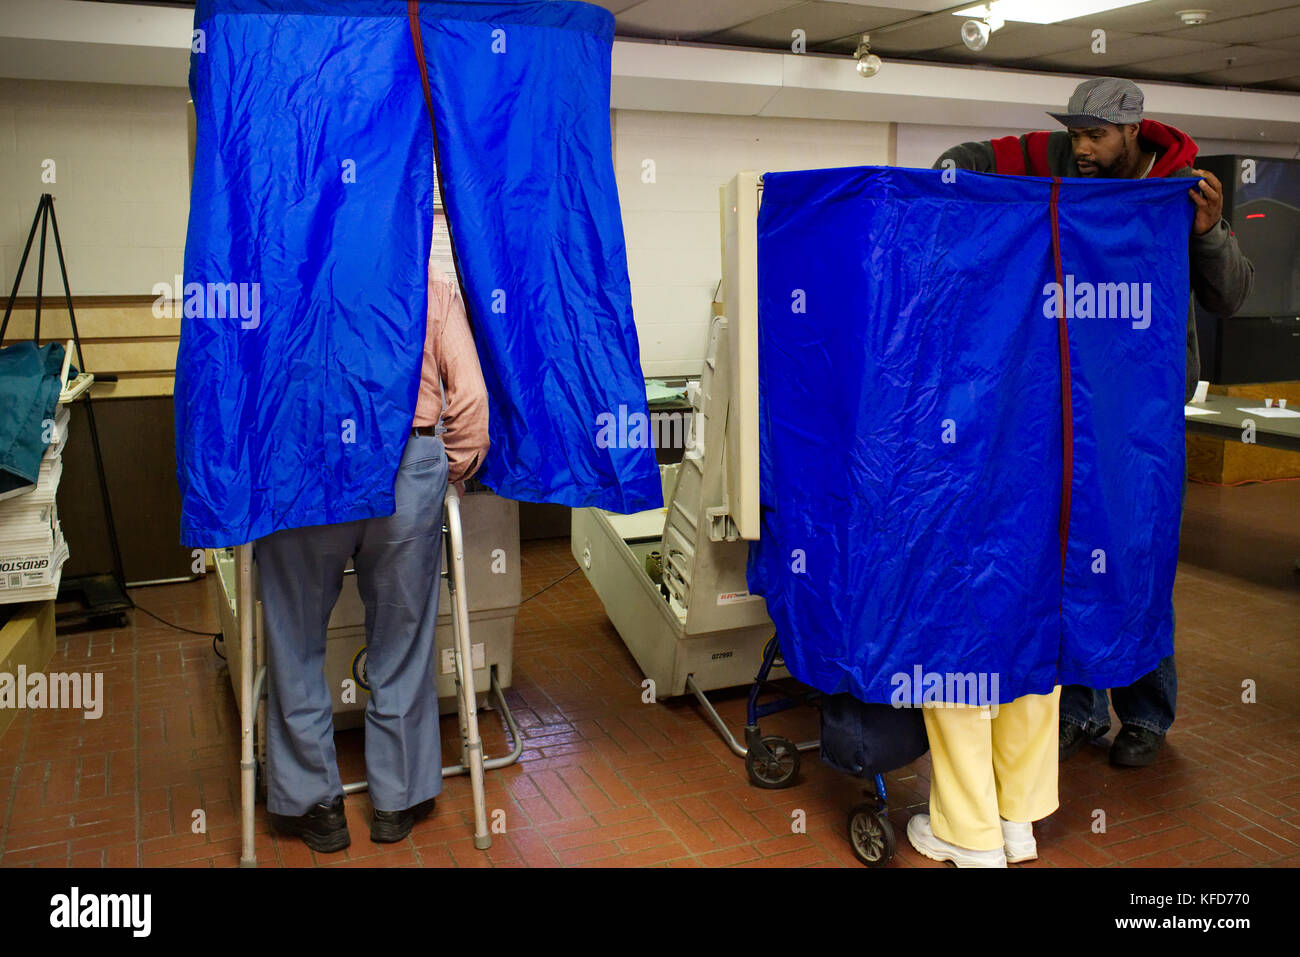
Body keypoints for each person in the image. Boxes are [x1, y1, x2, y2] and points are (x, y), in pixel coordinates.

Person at [934, 77, 1252, 773]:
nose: (1080, 148)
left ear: (1133, 131)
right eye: (1075, 133)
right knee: (1068, 548)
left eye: (1095, 136)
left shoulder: (1182, 188)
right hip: (1064, 396)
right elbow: (974, 157)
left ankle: (1144, 712)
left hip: (1141, 408)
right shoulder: (1051, 155)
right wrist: (945, 182)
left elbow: (1232, 295)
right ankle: (1076, 708)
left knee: (1137, 552)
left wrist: (1211, 233)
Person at [258, 256, 490, 852]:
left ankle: (316, 806)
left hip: (302, 467)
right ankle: (397, 800)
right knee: (402, 639)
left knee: (294, 636)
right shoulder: (428, 281)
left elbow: (244, 387)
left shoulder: (282, 268)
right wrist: (441, 473)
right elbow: (471, 406)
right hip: (404, 466)